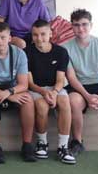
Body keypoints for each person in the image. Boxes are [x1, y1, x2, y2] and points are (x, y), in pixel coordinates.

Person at [0, 22, 35, 164]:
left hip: (12, 89)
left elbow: (24, 84)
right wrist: (6, 95)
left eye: (3, 37)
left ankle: (27, 145)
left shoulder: (19, 54)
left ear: (10, 38)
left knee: (28, 99)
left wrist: (9, 93)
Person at [62, 9, 98, 155]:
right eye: (76, 25)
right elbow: (71, 77)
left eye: (84, 24)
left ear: (91, 25)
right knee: (73, 102)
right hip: (79, 87)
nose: (80, 28)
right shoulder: (65, 48)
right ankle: (77, 142)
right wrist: (87, 96)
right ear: (72, 27)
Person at [26, 20, 75, 164]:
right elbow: (30, 83)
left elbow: (60, 80)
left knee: (64, 101)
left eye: (43, 34)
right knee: (42, 106)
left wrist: (54, 92)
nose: (39, 38)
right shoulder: (26, 52)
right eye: (35, 35)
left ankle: (63, 147)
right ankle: (42, 143)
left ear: (50, 34)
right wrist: (43, 92)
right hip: (36, 89)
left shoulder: (61, 52)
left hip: (55, 87)